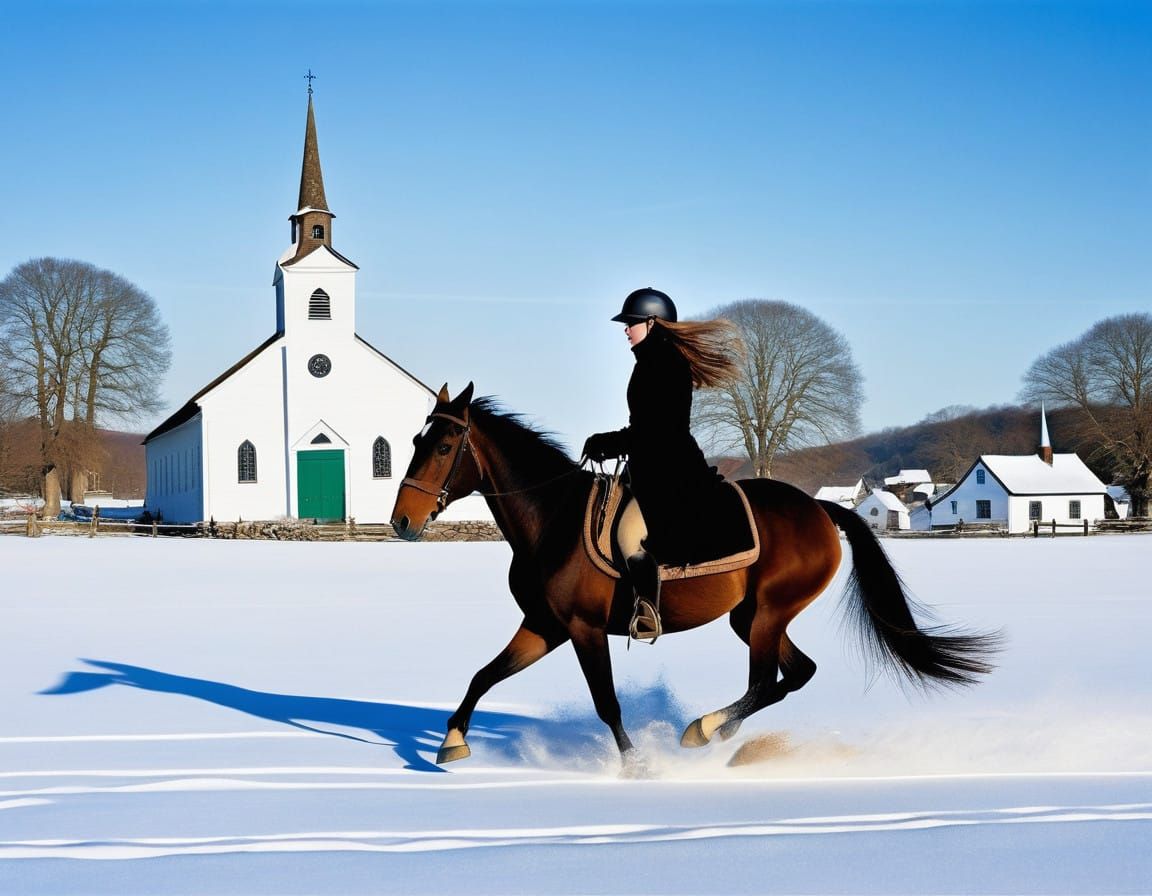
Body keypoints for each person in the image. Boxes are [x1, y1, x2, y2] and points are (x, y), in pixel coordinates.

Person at [582, 287, 742, 639]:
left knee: (628, 536)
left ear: (653, 323)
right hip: (650, 468)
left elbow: (657, 432)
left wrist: (609, 443)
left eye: (632, 323)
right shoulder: (652, 360)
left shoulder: (664, 363)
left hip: (670, 475)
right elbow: (645, 428)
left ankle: (647, 611)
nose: (626, 329)